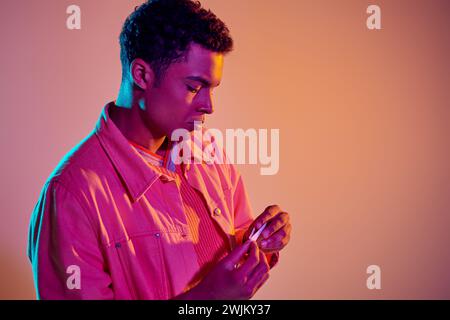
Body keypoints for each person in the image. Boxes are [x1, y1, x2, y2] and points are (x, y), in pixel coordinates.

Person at [28, 0, 292, 300]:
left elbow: (238, 258)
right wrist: (207, 298)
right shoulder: (72, 195)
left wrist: (261, 242)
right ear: (141, 75)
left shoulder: (209, 152)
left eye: (212, 89)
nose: (209, 106)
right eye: (194, 87)